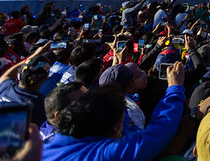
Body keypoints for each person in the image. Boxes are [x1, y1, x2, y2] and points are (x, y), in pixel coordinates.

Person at [42, 62, 186, 161]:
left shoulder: (42, 146)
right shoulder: (105, 154)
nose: (91, 102)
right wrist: (175, 88)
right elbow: (158, 133)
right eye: (82, 102)